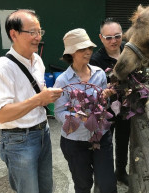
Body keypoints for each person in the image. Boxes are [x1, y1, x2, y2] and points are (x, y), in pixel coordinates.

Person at [0, 9, 63, 193]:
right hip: (19, 140)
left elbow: (38, 92)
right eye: (32, 32)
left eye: (39, 32)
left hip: (43, 132)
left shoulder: (37, 60)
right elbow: (2, 114)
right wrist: (38, 99)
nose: (38, 37)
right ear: (14, 34)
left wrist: (48, 95)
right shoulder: (1, 69)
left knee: (46, 187)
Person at [53, 28, 117, 193]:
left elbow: (104, 104)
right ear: (71, 53)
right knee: (83, 185)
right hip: (75, 142)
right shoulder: (63, 81)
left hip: (101, 137)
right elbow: (58, 112)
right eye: (82, 49)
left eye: (89, 48)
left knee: (107, 184)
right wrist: (77, 117)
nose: (88, 52)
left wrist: (106, 97)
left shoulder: (99, 74)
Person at [90, 18, 130, 186]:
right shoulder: (96, 60)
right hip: (105, 111)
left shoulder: (129, 52)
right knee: (104, 145)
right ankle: (104, 178)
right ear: (101, 38)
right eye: (109, 37)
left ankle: (121, 172)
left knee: (123, 141)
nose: (113, 41)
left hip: (127, 108)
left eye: (117, 36)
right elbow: (92, 90)